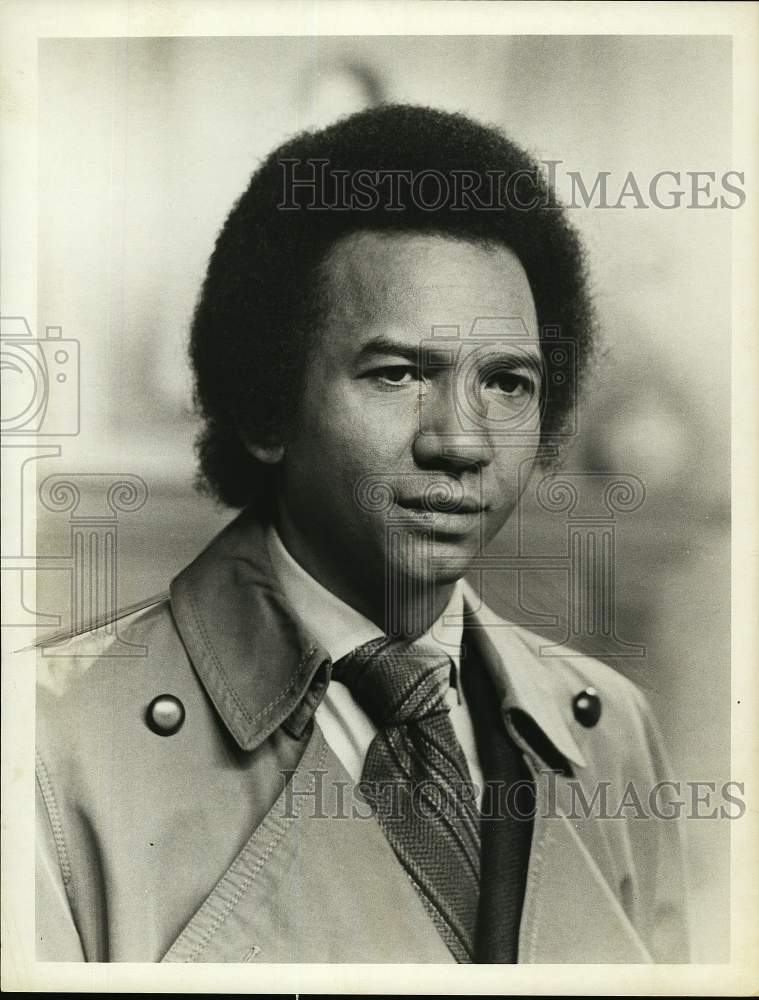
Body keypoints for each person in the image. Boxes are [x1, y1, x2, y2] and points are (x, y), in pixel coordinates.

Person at [35, 104, 690, 964]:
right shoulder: (49, 746)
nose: (460, 441)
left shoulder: (610, 730)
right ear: (268, 406)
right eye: (397, 374)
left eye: (507, 383)